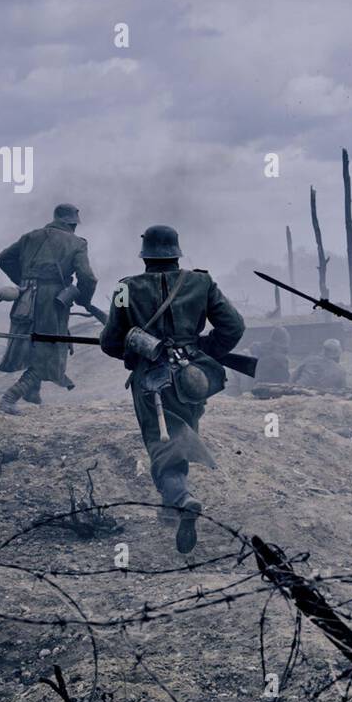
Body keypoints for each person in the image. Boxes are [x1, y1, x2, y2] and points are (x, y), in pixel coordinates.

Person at [100, 225, 246, 553]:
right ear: (177, 252)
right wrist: (201, 348)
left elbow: (110, 342)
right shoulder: (202, 282)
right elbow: (234, 327)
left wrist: (135, 347)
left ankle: (181, 498)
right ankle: (171, 505)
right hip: (192, 376)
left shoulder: (125, 288)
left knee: (161, 444)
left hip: (151, 378)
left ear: (145, 256)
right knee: (180, 434)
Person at [0, 204, 97, 414]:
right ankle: (10, 398)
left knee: (34, 343)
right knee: (49, 349)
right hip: (51, 301)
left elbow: (4, 258)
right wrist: (83, 299)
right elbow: (87, 277)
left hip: (25, 298)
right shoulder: (77, 243)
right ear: (72, 223)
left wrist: (24, 280)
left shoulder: (30, 236)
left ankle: (33, 394)